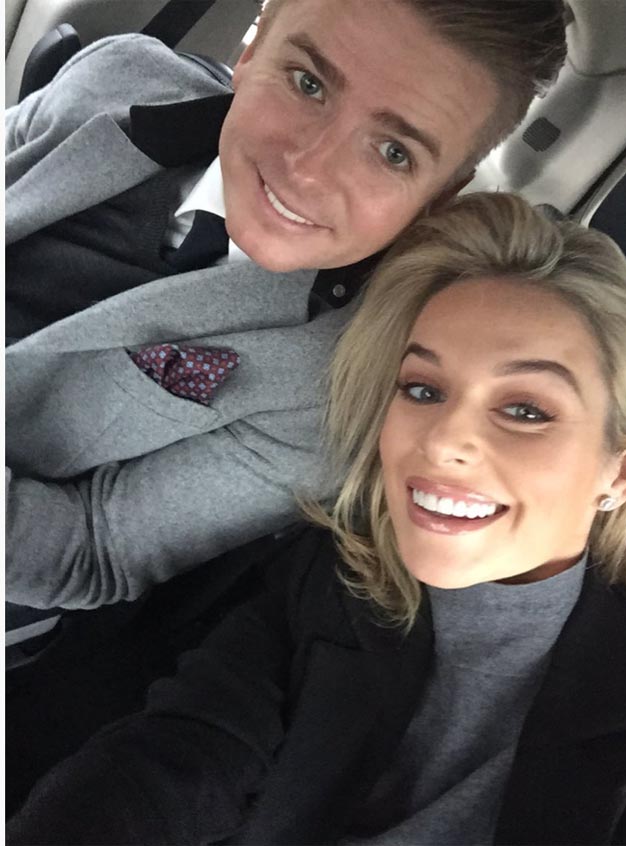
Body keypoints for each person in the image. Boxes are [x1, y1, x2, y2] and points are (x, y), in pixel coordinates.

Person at [7, 192, 626, 845]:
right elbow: (175, 757)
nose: (444, 440)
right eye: (422, 390)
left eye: (526, 410)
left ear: (620, 472)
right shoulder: (325, 583)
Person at [5, 0, 568, 611]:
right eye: (308, 84)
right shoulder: (118, 75)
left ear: (438, 197)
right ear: (251, 52)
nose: (309, 170)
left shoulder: (326, 391)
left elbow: (94, 548)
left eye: (393, 152)